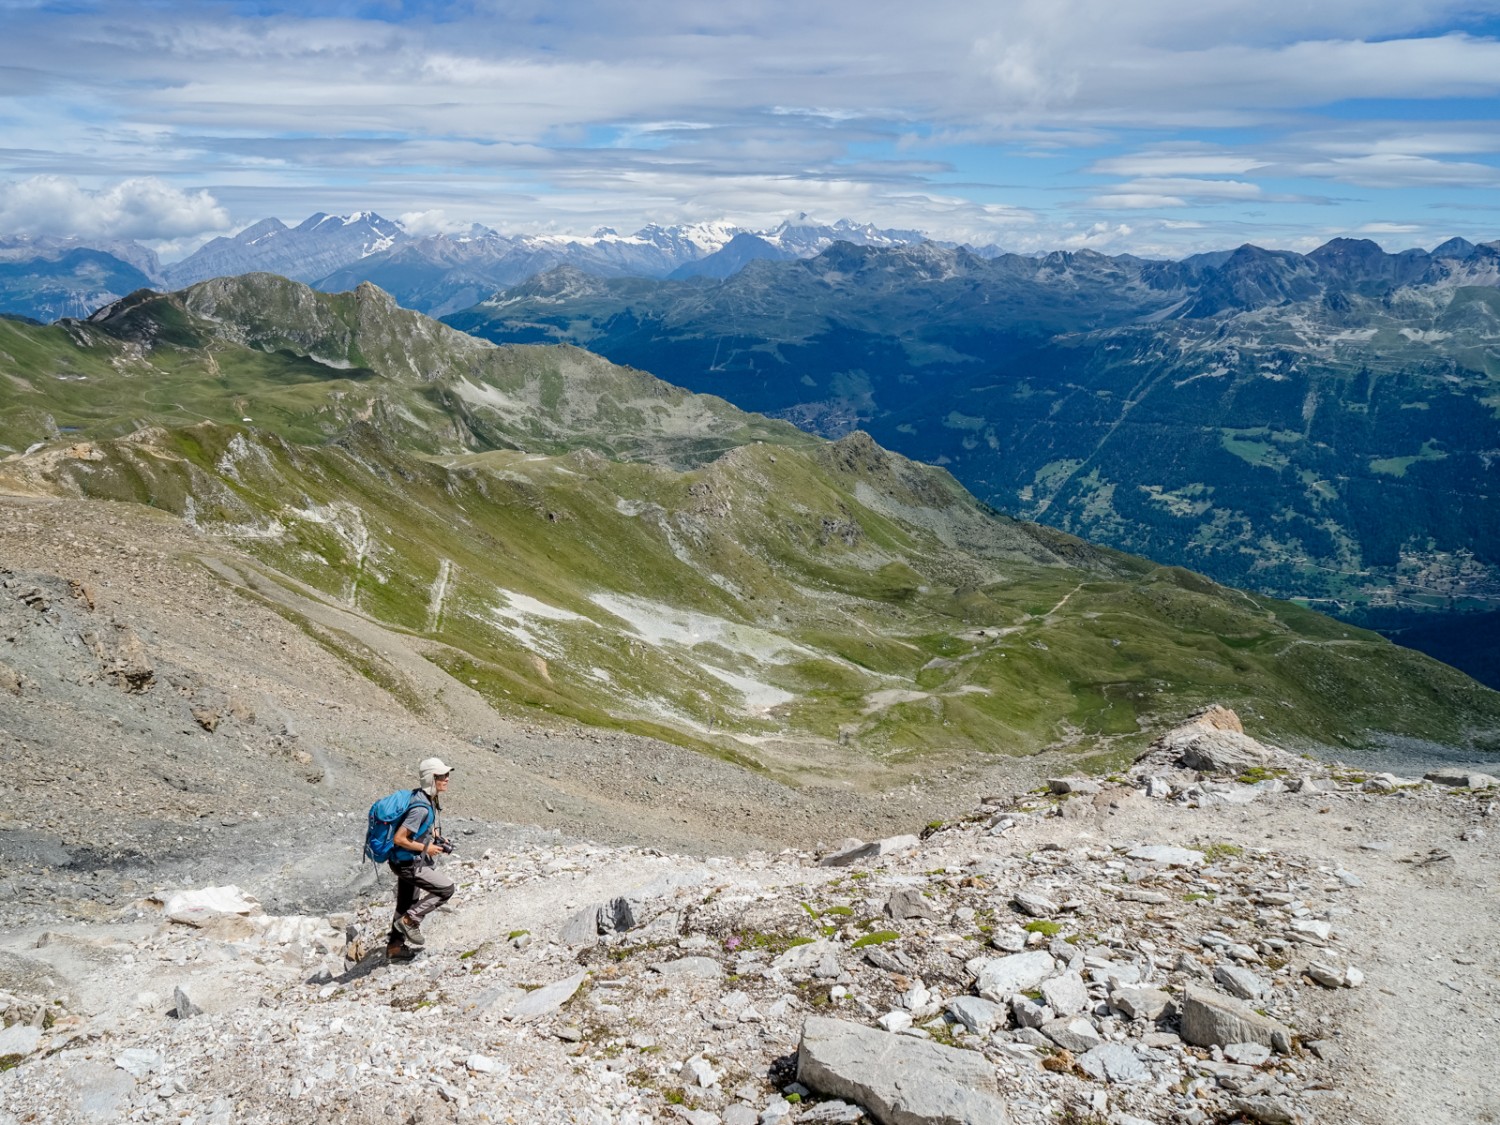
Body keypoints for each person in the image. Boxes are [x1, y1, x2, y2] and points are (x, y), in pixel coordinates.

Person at [387, 756, 456, 960]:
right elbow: (400, 838)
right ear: (431, 778)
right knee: (445, 889)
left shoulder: (425, 798)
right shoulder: (420, 808)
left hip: (402, 861)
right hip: (409, 863)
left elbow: (425, 824)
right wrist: (429, 848)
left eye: (447, 774)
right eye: (442, 775)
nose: (447, 778)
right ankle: (410, 921)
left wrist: (436, 836)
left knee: (406, 902)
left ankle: (394, 948)